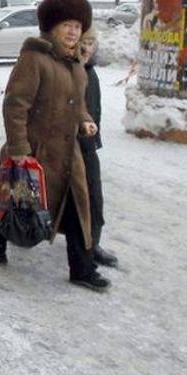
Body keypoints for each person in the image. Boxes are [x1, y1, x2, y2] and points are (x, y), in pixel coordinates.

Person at [0, 0, 111, 292]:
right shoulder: (34, 59)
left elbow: (76, 103)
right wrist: (18, 150)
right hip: (35, 152)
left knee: (80, 208)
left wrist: (84, 119)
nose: (73, 32)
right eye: (67, 25)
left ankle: (82, 268)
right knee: (22, 206)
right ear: (52, 27)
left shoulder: (76, 63)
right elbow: (15, 106)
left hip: (70, 153)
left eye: (78, 27)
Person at [78, 26, 118, 268]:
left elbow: (94, 109)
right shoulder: (69, 70)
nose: (87, 47)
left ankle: (92, 244)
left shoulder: (90, 72)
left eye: (91, 42)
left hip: (87, 145)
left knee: (93, 197)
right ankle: (7, 230)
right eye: (84, 42)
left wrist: (94, 137)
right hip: (63, 145)